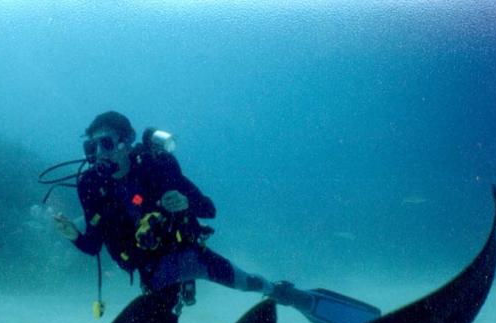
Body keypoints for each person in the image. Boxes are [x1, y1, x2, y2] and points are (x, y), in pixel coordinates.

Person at [54, 110, 310, 311]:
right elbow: (92, 246)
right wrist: (73, 234)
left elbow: (209, 209)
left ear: (126, 142)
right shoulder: (89, 184)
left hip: (188, 254)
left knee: (248, 283)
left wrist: (186, 201)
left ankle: (282, 292)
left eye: (106, 144)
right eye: (91, 147)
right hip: (150, 272)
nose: (98, 154)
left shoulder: (156, 164)